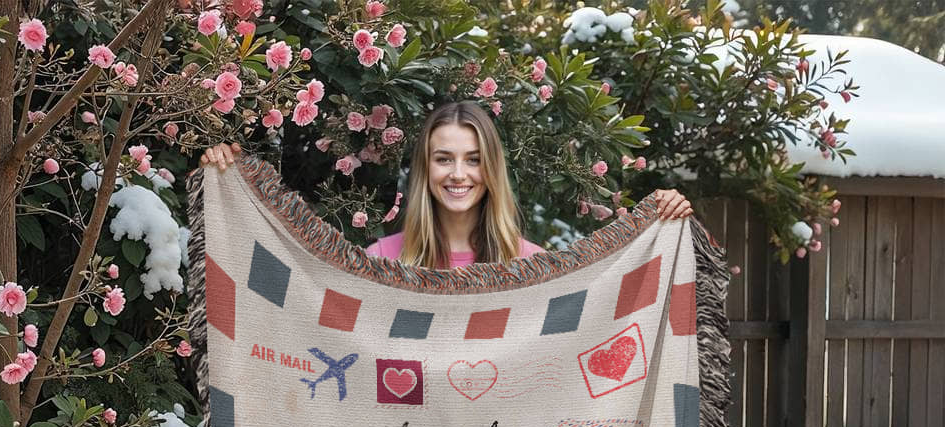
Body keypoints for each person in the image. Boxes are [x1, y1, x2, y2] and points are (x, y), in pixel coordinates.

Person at [200, 100, 693, 269]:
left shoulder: (536, 268)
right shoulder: (378, 263)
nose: (459, 174)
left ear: (492, 172)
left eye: (474, 160)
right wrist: (233, 188)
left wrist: (663, 220)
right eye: (444, 159)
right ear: (424, 170)